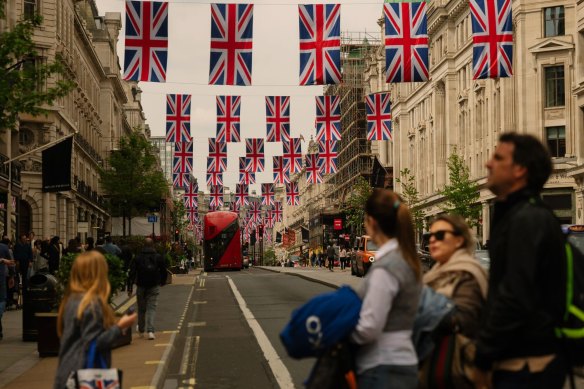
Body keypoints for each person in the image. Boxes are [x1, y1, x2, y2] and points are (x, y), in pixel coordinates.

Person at [473, 133, 567, 389]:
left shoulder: (527, 219)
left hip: (527, 367)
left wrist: (483, 356)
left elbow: (515, 295)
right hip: (519, 363)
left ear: (520, 170)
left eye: (498, 158)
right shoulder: (518, 215)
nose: (488, 164)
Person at [350, 189, 421, 389]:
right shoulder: (406, 259)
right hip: (403, 361)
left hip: (381, 366)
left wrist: (339, 333)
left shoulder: (386, 267)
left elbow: (369, 327)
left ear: (372, 222)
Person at [419, 214, 488, 388]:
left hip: (456, 370)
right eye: (429, 236)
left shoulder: (467, 274)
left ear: (458, 240)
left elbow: (465, 320)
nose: (432, 240)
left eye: (440, 235)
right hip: (434, 366)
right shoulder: (437, 273)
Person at [54, 251, 136, 389]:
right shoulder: (92, 304)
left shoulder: (71, 301)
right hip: (85, 375)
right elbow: (94, 342)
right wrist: (120, 326)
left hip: (67, 373)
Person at [128, 238, 167, 340]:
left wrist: (129, 288)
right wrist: (162, 282)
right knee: (151, 308)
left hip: (141, 285)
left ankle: (141, 330)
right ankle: (150, 331)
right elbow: (164, 271)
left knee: (141, 309)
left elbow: (131, 273)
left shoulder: (137, 257)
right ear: (153, 245)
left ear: (143, 245)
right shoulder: (158, 257)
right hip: (154, 285)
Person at [0, 240, 15, 340]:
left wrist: (12, 276)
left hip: (1, 279)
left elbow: (11, 263)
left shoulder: (4, 247)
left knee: (1, 301)